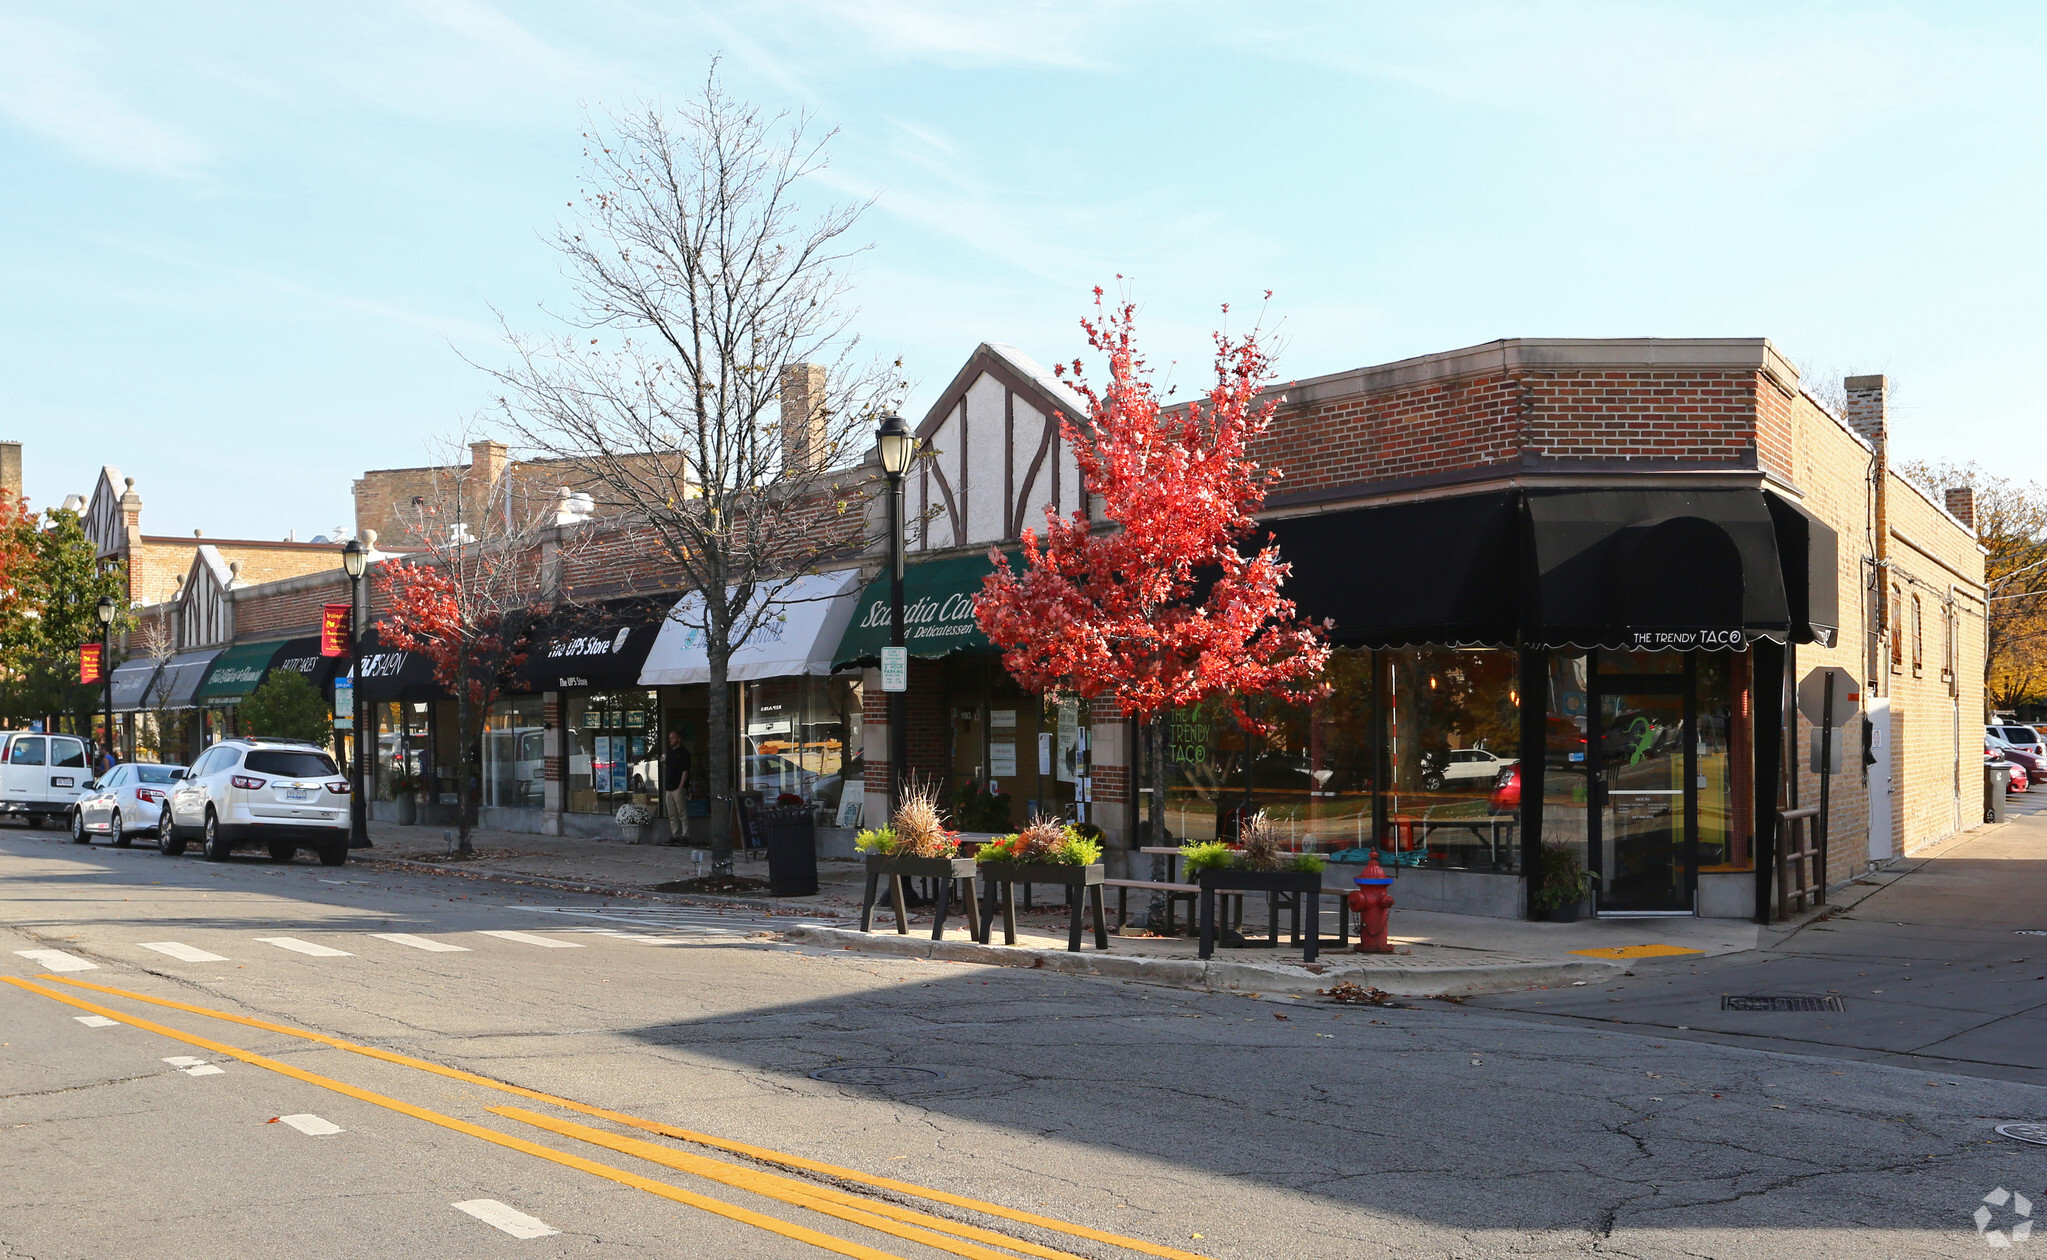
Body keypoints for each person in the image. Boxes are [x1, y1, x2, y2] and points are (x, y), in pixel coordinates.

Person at [661, 729, 691, 845]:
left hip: (678, 788)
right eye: (669, 738)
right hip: (669, 787)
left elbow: (685, 770)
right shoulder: (670, 753)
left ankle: (685, 835)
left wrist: (681, 786)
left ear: (679, 739)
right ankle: (675, 835)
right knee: (672, 813)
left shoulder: (684, 753)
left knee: (682, 812)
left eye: (673, 738)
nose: (670, 740)